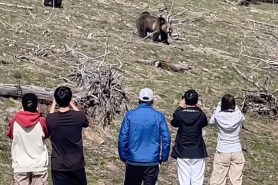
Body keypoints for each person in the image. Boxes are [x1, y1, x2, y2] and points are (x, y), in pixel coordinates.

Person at [118, 87, 171, 185]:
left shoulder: (130, 115)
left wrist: (123, 156)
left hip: (133, 159)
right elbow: (166, 138)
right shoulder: (159, 116)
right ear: (152, 100)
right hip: (152, 160)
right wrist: (164, 157)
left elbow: (123, 138)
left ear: (139, 99)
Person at [46, 86, 89, 185]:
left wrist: (53, 104)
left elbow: (49, 117)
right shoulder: (79, 116)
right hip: (76, 163)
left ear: (56, 99)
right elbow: (84, 120)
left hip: (59, 164)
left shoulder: (51, 119)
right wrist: (72, 104)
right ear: (70, 99)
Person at [7, 93, 49, 185]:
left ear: (22, 105)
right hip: (39, 164)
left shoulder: (15, 121)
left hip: (20, 164)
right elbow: (46, 134)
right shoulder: (41, 121)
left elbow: (10, 135)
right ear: (36, 105)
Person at [170, 89, 208, 185]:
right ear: (196, 101)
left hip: (182, 151)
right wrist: (198, 108)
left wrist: (179, 107)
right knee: (197, 181)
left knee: (184, 181)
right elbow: (205, 122)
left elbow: (173, 122)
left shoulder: (179, 114)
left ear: (185, 100)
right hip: (198, 151)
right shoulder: (201, 115)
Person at [209, 94, 245, 185]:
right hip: (236, 150)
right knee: (236, 180)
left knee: (218, 180)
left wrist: (218, 107)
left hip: (223, 150)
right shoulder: (238, 115)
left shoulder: (219, 116)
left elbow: (211, 122)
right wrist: (234, 105)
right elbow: (242, 117)